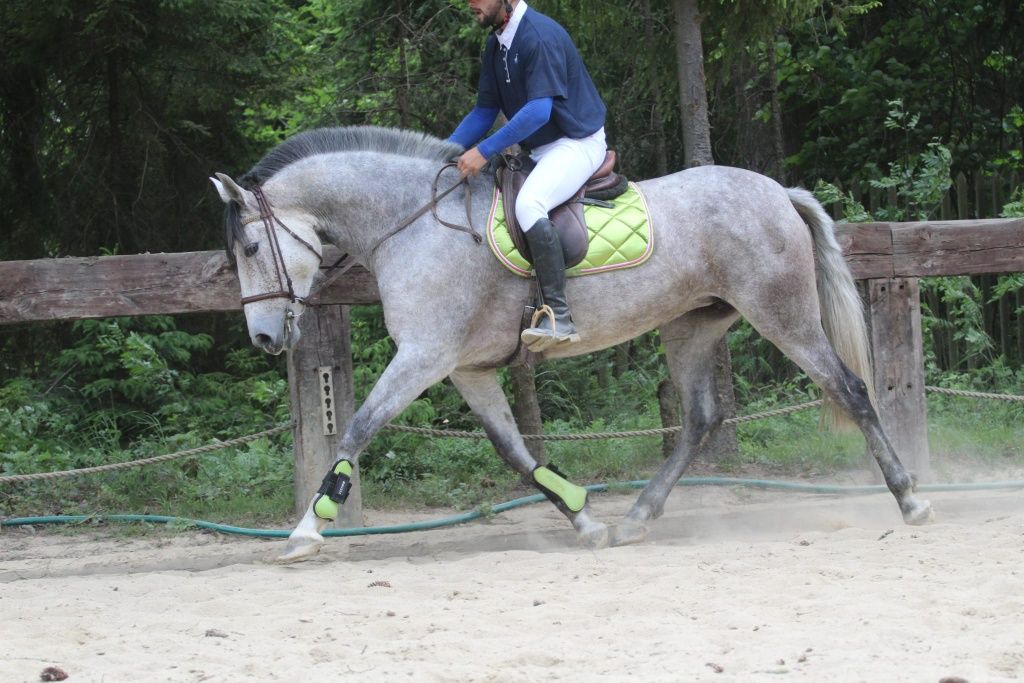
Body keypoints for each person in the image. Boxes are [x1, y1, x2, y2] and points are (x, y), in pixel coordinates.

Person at [449, 0, 607, 352]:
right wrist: (440, 152)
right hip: (541, 150)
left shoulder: (538, 35)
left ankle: (559, 316)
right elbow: (484, 112)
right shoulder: (497, 43)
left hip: (577, 143)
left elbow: (539, 111)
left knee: (529, 205)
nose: (470, 3)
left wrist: (484, 151)